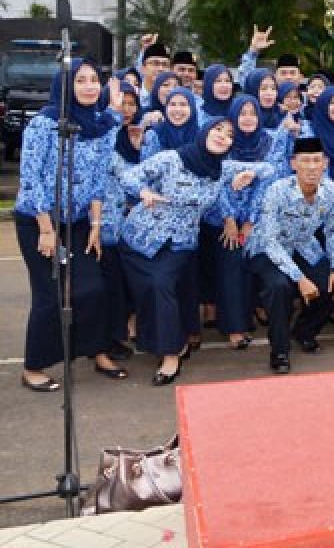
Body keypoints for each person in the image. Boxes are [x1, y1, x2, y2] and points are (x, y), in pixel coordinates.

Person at [119, 119, 269, 385]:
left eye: (229, 135)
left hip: (180, 243)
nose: (223, 137)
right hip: (140, 238)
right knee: (148, 291)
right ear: (204, 132)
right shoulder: (171, 159)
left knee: (160, 285)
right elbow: (129, 176)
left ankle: (170, 354)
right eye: (218, 131)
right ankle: (161, 339)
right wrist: (144, 192)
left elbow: (269, 168)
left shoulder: (222, 169)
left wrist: (249, 175)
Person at [14, 60, 126, 391]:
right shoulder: (44, 124)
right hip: (40, 220)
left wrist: (95, 224)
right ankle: (33, 366)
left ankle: (98, 351)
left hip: (78, 221)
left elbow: (99, 180)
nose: (90, 87)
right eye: (81, 81)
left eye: (95, 80)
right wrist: (47, 230)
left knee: (93, 288)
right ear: (65, 86)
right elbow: (31, 180)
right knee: (49, 295)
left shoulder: (103, 124)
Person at [244, 136, 334, 374]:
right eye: (305, 161)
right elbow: (270, 240)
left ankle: (304, 331)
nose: (311, 167)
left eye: (316, 160)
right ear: (293, 164)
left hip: (303, 245)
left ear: (325, 163)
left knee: (333, 285)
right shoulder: (276, 191)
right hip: (266, 249)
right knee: (279, 287)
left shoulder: (332, 191)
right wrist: (300, 278)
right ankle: (279, 351)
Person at [203, 95, 283, 349]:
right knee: (231, 267)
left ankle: (249, 316)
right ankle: (234, 327)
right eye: (242, 113)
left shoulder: (269, 142)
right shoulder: (224, 142)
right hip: (223, 219)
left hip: (257, 217)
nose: (248, 118)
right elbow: (217, 182)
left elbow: (270, 179)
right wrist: (229, 219)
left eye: (253, 113)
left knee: (252, 266)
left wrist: (250, 221)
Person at [99, 81, 143, 361]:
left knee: (126, 283)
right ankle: (106, 340)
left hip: (131, 225)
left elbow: (141, 176)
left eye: (131, 103)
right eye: (120, 103)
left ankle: (122, 331)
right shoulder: (101, 131)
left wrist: (139, 149)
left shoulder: (140, 134)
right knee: (106, 285)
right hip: (102, 224)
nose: (125, 109)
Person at [140, 87, 198, 159]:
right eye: (172, 104)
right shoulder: (153, 135)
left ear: (192, 108)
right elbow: (146, 166)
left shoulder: (202, 136)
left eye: (183, 104)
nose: (177, 109)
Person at [137, 41, 171, 108]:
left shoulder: (173, 97)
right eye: (155, 63)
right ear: (143, 68)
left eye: (165, 64)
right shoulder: (134, 95)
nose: (161, 69)